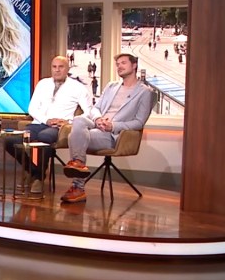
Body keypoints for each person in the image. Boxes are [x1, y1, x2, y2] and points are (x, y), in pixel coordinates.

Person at [61, 53, 155, 203]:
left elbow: (139, 122)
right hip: (98, 124)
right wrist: (98, 119)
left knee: (74, 136)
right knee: (78, 120)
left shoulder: (145, 92)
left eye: (123, 63)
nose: (119, 66)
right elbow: (95, 108)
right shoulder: (111, 86)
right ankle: (78, 166)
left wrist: (113, 126)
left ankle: (78, 186)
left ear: (134, 65)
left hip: (113, 134)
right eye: (118, 64)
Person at [5, 56, 92, 193]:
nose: (57, 70)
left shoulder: (78, 88)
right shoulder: (42, 84)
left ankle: (38, 179)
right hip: (39, 123)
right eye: (54, 67)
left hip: (59, 127)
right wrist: (46, 120)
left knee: (44, 137)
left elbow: (88, 111)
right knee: (10, 141)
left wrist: (69, 122)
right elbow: (32, 108)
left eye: (61, 67)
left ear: (67, 68)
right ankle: (33, 171)